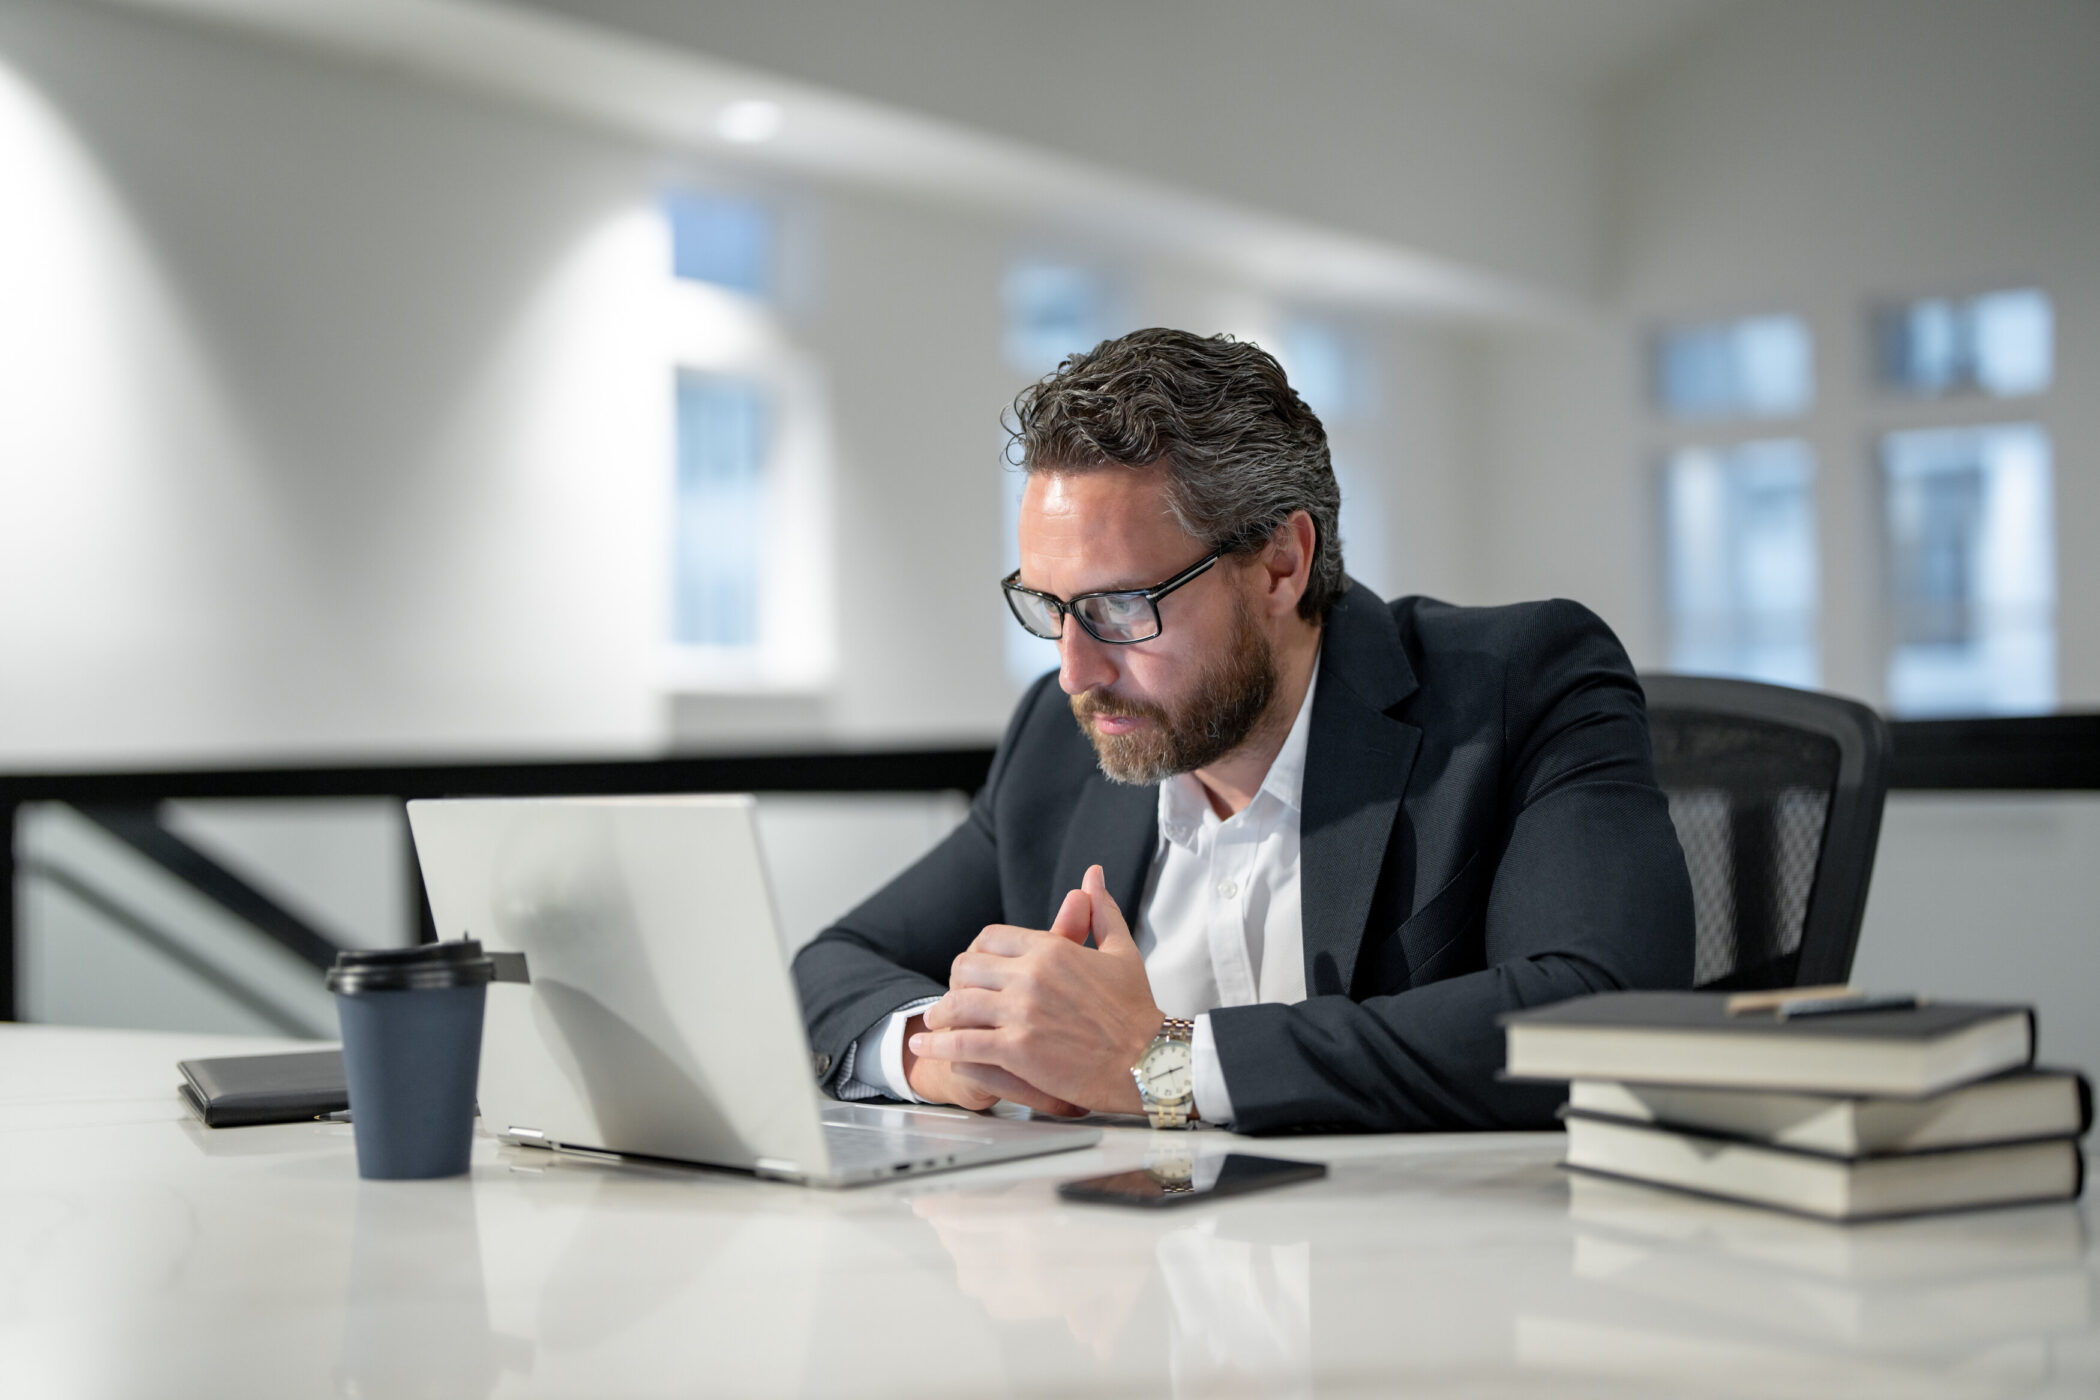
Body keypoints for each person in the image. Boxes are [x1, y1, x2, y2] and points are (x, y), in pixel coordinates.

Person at [793, 328, 1693, 1133]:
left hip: (1426, 1285)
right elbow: (830, 965)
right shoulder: (1057, 743)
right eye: (1050, 607)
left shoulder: (1517, 685)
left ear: (1280, 564)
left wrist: (1159, 1066)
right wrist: (936, 1050)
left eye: (1118, 606)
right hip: (1130, 1282)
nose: (1074, 670)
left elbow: (1600, 1014)